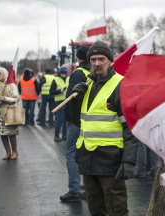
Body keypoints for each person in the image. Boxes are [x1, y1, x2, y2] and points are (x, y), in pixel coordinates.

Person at [70, 41, 139, 215]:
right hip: (87, 158)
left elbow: (131, 128)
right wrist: (75, 101)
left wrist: (129, 161)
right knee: (96, 210)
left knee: (116, 209)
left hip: (110, 161)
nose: (96, 63)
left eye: (101, 59)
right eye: (93, 59)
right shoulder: (88, 84)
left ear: (110, 61)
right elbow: (78, 121)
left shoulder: (121, 85)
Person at [60, 45, 91, 202]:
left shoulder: (78, 73)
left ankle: (74, 190)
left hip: (76, 120)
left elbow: (70, 99)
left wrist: (68, 118)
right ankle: (86, 189)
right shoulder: (93, 73)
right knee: (85, 153)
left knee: (71, 153)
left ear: (78, 58)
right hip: (90, 119)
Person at [0, 67, 20, 160]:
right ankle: (8, 152)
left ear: (5, 74)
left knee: (11, 133)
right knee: (2, 133)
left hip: (9, 112)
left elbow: (16, 99)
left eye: (0, 73)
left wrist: (5, 99)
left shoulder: (12, 85)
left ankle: (15, 151)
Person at [50, 67, 68, 142]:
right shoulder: (56, 79)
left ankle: (64, 135)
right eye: (62, 73)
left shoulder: (69, 78)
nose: (63, 74)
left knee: (66, 119)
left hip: (67, 101)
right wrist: (59, 91)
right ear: (60, 73)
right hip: (59, 102)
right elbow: (51, 91)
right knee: (59, 119)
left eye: (65, 73)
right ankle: (56, 135)